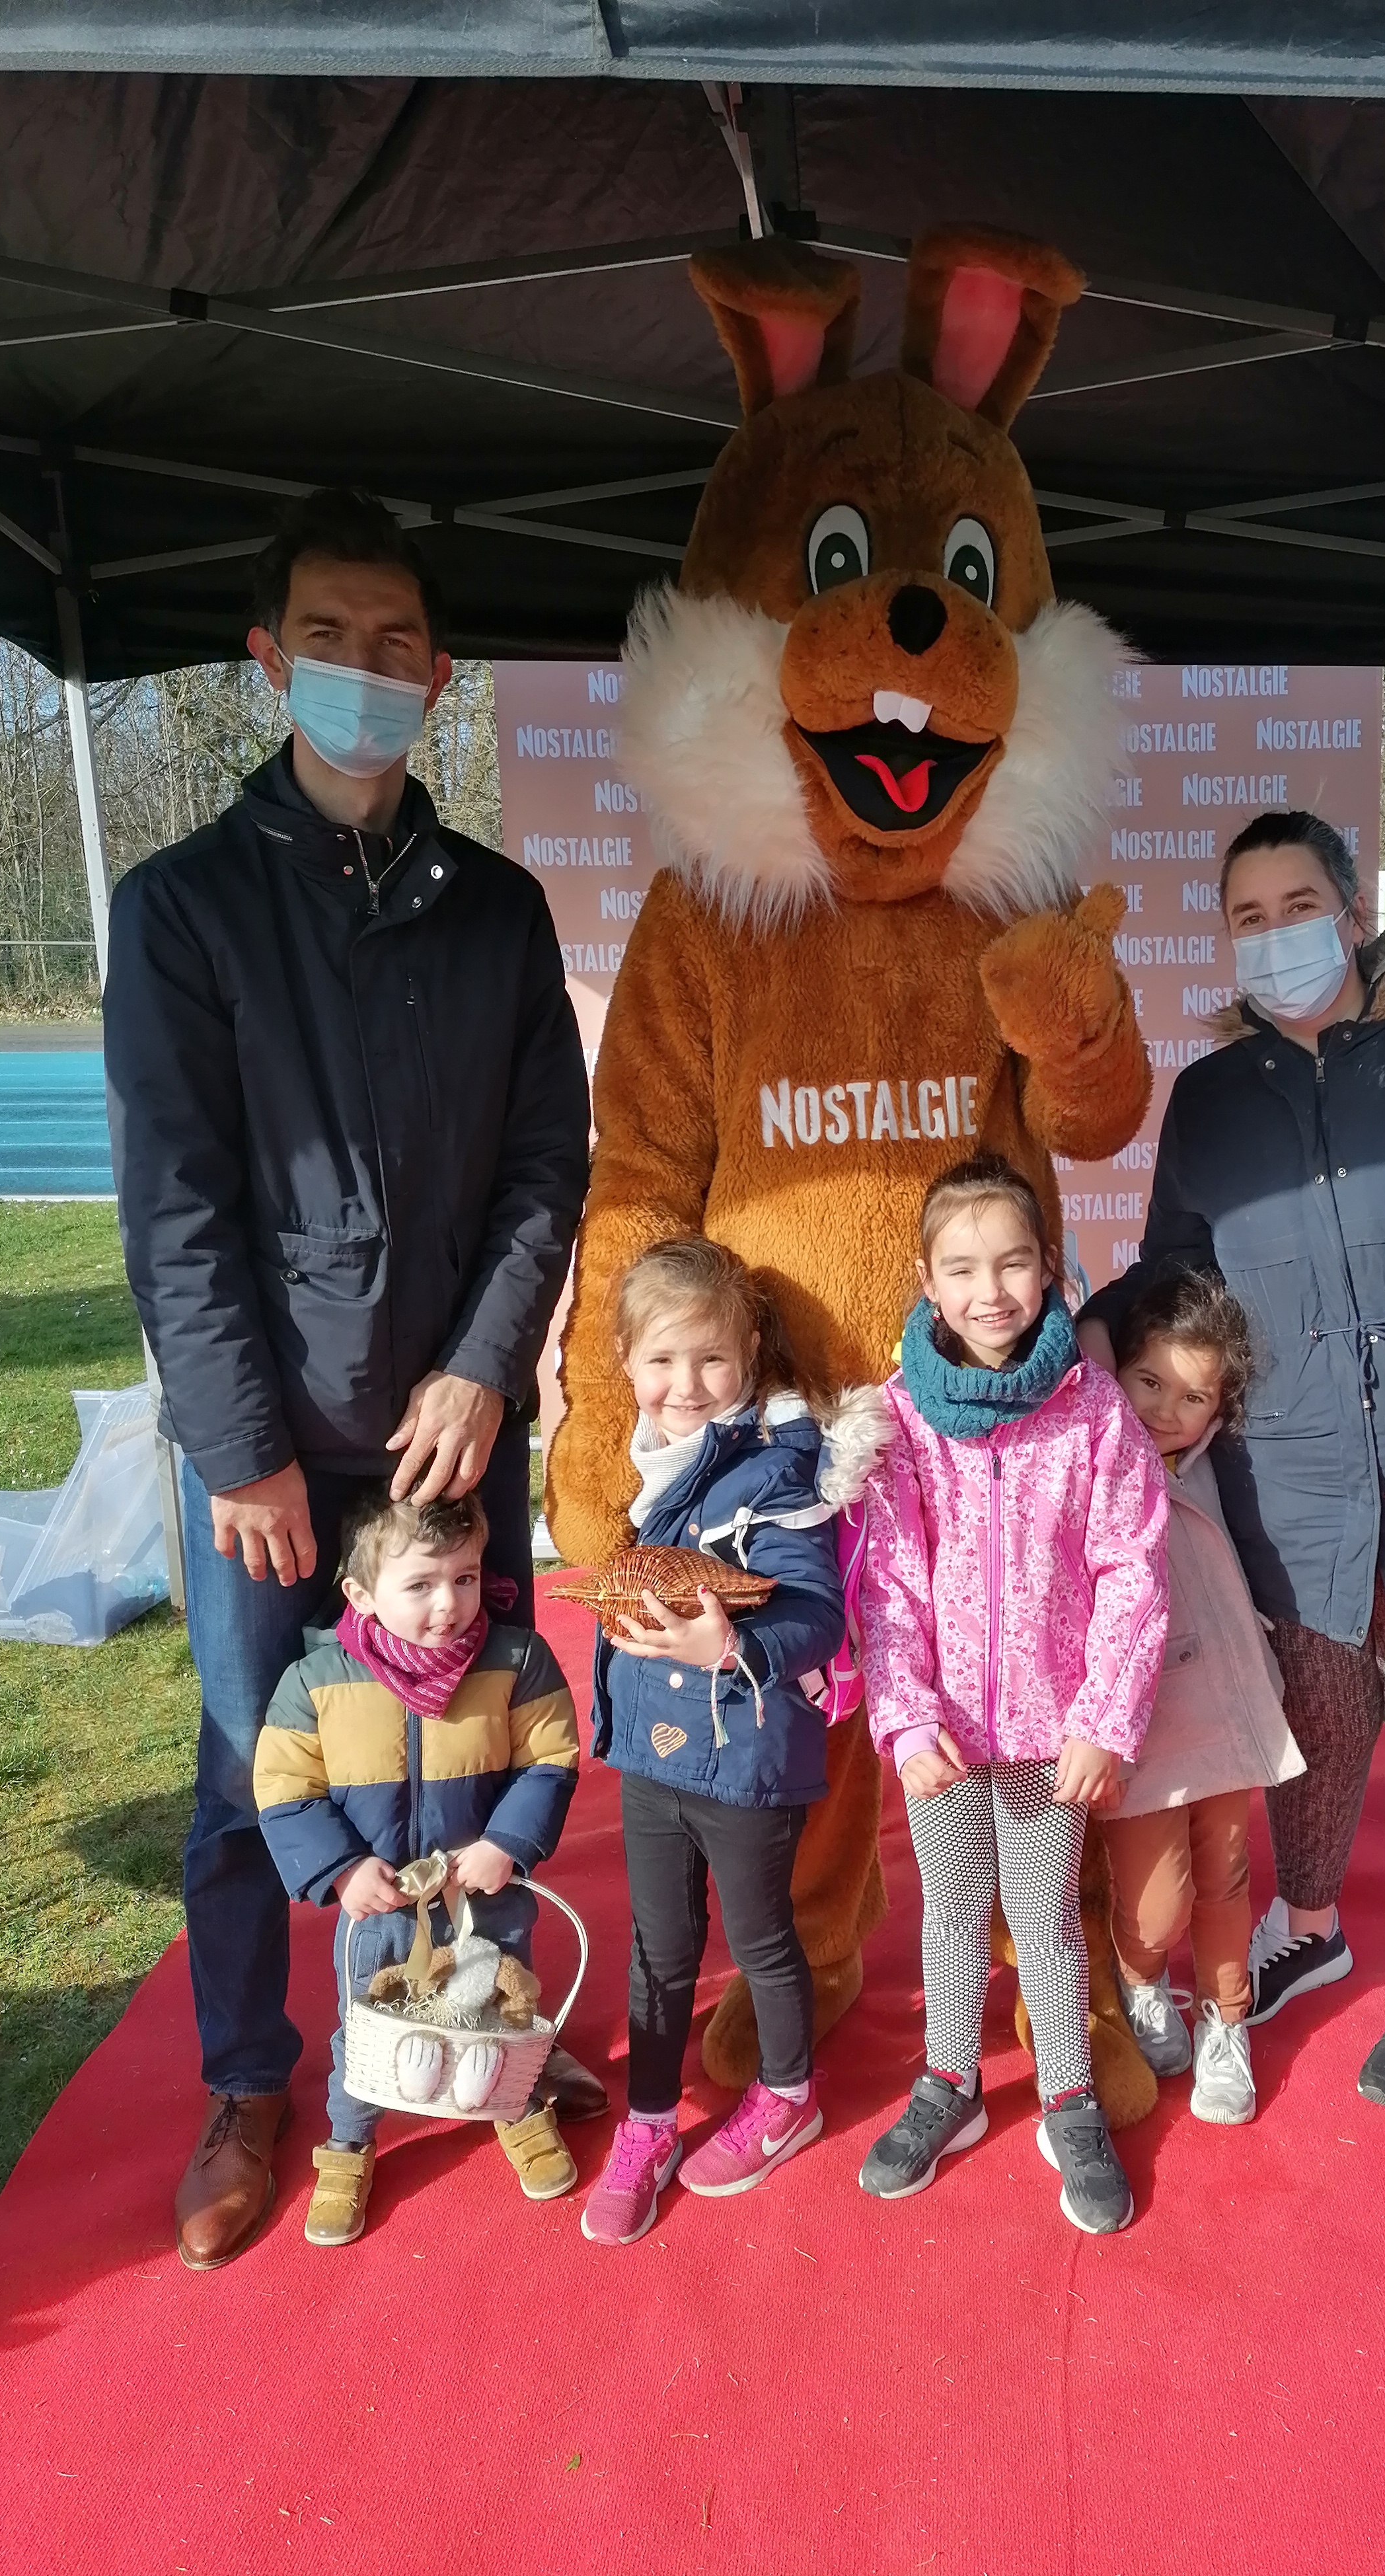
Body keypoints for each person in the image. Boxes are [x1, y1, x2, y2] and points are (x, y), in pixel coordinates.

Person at [104, 488, 593, 2271]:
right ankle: (254, 2083)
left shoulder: (503, 914)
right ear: (269, 659)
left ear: (440, 674)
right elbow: (175, 1203)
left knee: (476, 1744)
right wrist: (239, 1450)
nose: (365, 671)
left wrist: (482, 1370)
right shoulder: (182, 909)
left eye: (397, 645)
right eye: (329, 639)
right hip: (272, 1446)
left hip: (449, 1441)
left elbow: (545, 1166)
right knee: (262, 1767)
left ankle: (485, 2029)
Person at [1080, 810, 1385, 2124]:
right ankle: (1312, 1924)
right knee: (1317, 1730)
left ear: (1354, 909)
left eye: (1299, 905)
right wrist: (1076, 1337)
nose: (1276, 936)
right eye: (1248, 917)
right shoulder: (1214, 1096)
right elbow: (1175, 1271)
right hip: (1296, 1484)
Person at [858, 1155, 1168, 2234]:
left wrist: (1104, 1718)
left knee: (1045, 1918)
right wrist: (905, 1719)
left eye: (1011, 1264)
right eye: (962, 1268)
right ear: (927, 1281)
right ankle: (950, 2080)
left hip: (1052, 1737)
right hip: (942, 1736)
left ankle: (1068, 2095)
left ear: (1049, 1269)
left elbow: (1133, 1564)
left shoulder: (1093, 1414)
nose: (989, 1291)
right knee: (951, 1911)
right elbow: (888, 1580)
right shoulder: (903, 1417)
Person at [579, 1241, 847, 2245]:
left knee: (762, 1938)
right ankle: (649, 2123)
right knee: (658, 1947)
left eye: (711, 1361)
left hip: (747, 1754)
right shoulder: (635, 1463)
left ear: (751, 1354)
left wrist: (732, 1644)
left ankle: (788, 2096)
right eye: (662, 1360)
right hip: (652, 1755)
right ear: (626, 1360)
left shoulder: (776, 1469)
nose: (685, 1386)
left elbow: (818, 1611)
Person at [253, 1488, 582, 2244]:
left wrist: (506, 1842)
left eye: (465, 1578)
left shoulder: (516, 1661)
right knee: (369, 2024)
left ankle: (515, 2105)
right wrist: (342, 1869)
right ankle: (348, 2141)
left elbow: (549, 1759)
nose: (449, 1604)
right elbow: (285, 1787)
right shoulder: (314, 1684)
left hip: (483, 1893)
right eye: (421, 1584)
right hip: (381, 1908)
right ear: (361, 1595)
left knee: (500, 2009)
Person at [1101, 1268, 1306, 2128]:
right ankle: (1142, 1978)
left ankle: (1227, 2017)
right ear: (1115, 1370)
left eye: (1193, 1396)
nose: (1165, 1410)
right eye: (1148, 1381)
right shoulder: (1097, 1458)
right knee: (1156, 1904)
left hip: (1221, 1701)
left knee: (1225, 1874)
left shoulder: (1216, 1461)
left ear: (1220, 1405)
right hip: (1139, 1722)